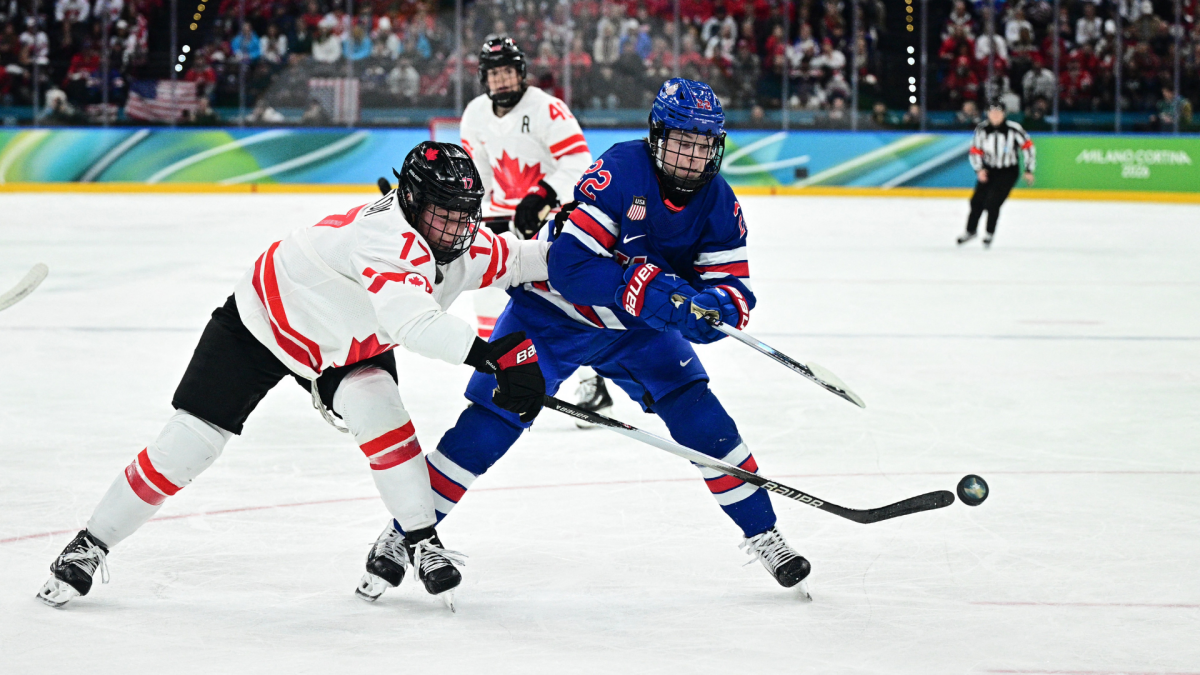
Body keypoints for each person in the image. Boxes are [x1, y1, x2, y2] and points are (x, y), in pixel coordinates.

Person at [37, 142, 550, 612]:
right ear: (412, 202)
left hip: (346, 346)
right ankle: (90, 543)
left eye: (466, 213)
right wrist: (492, 357)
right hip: (264, 321)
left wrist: (606, 253)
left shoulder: (463, 243)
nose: (458, 227)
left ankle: (419, 540)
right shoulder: (383, 237)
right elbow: (412, 322)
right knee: (190, 443)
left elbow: (526, 259)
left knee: (383, 416)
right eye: (445, 213)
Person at [362, 79, 812, 599]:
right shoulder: (620, 169)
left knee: (700, 414)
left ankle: (765, 534)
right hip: (553, 317)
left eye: (701, 144)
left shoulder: (720, 203)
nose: (690, 157)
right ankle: (403, 534)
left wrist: (706, 313)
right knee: (492, 419)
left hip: (635, 335)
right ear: (656, 136)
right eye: (680, 142)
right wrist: (648, 290)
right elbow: (569, 266)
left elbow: (734, 293)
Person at [460, 37, 609, 423]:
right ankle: (501, 378)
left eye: (509, 71)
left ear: (522, 72)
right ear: (484, 78)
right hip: (501, 224)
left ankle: (593, 384)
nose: (503, 81)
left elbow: (579, 161)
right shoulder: (475, 115)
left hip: (550, 222)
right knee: (487, 300)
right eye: (495, 74)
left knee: (563, 305)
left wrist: (542, 194)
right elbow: (479, 175)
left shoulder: (547, 109)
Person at [958, 98, 1035, 248]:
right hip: (989, 169)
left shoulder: (1014, 129)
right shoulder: (981, 130)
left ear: (1004, 114)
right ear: (987, 114)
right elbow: (975, 151)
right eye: (992, 112)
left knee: (993, 203)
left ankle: (989, 233)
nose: (995, 115)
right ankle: (970, 230)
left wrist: (1028, 169)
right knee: (976, 201)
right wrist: (979, 169)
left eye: (998, 112)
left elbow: (1028, 147)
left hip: (1008, 171)